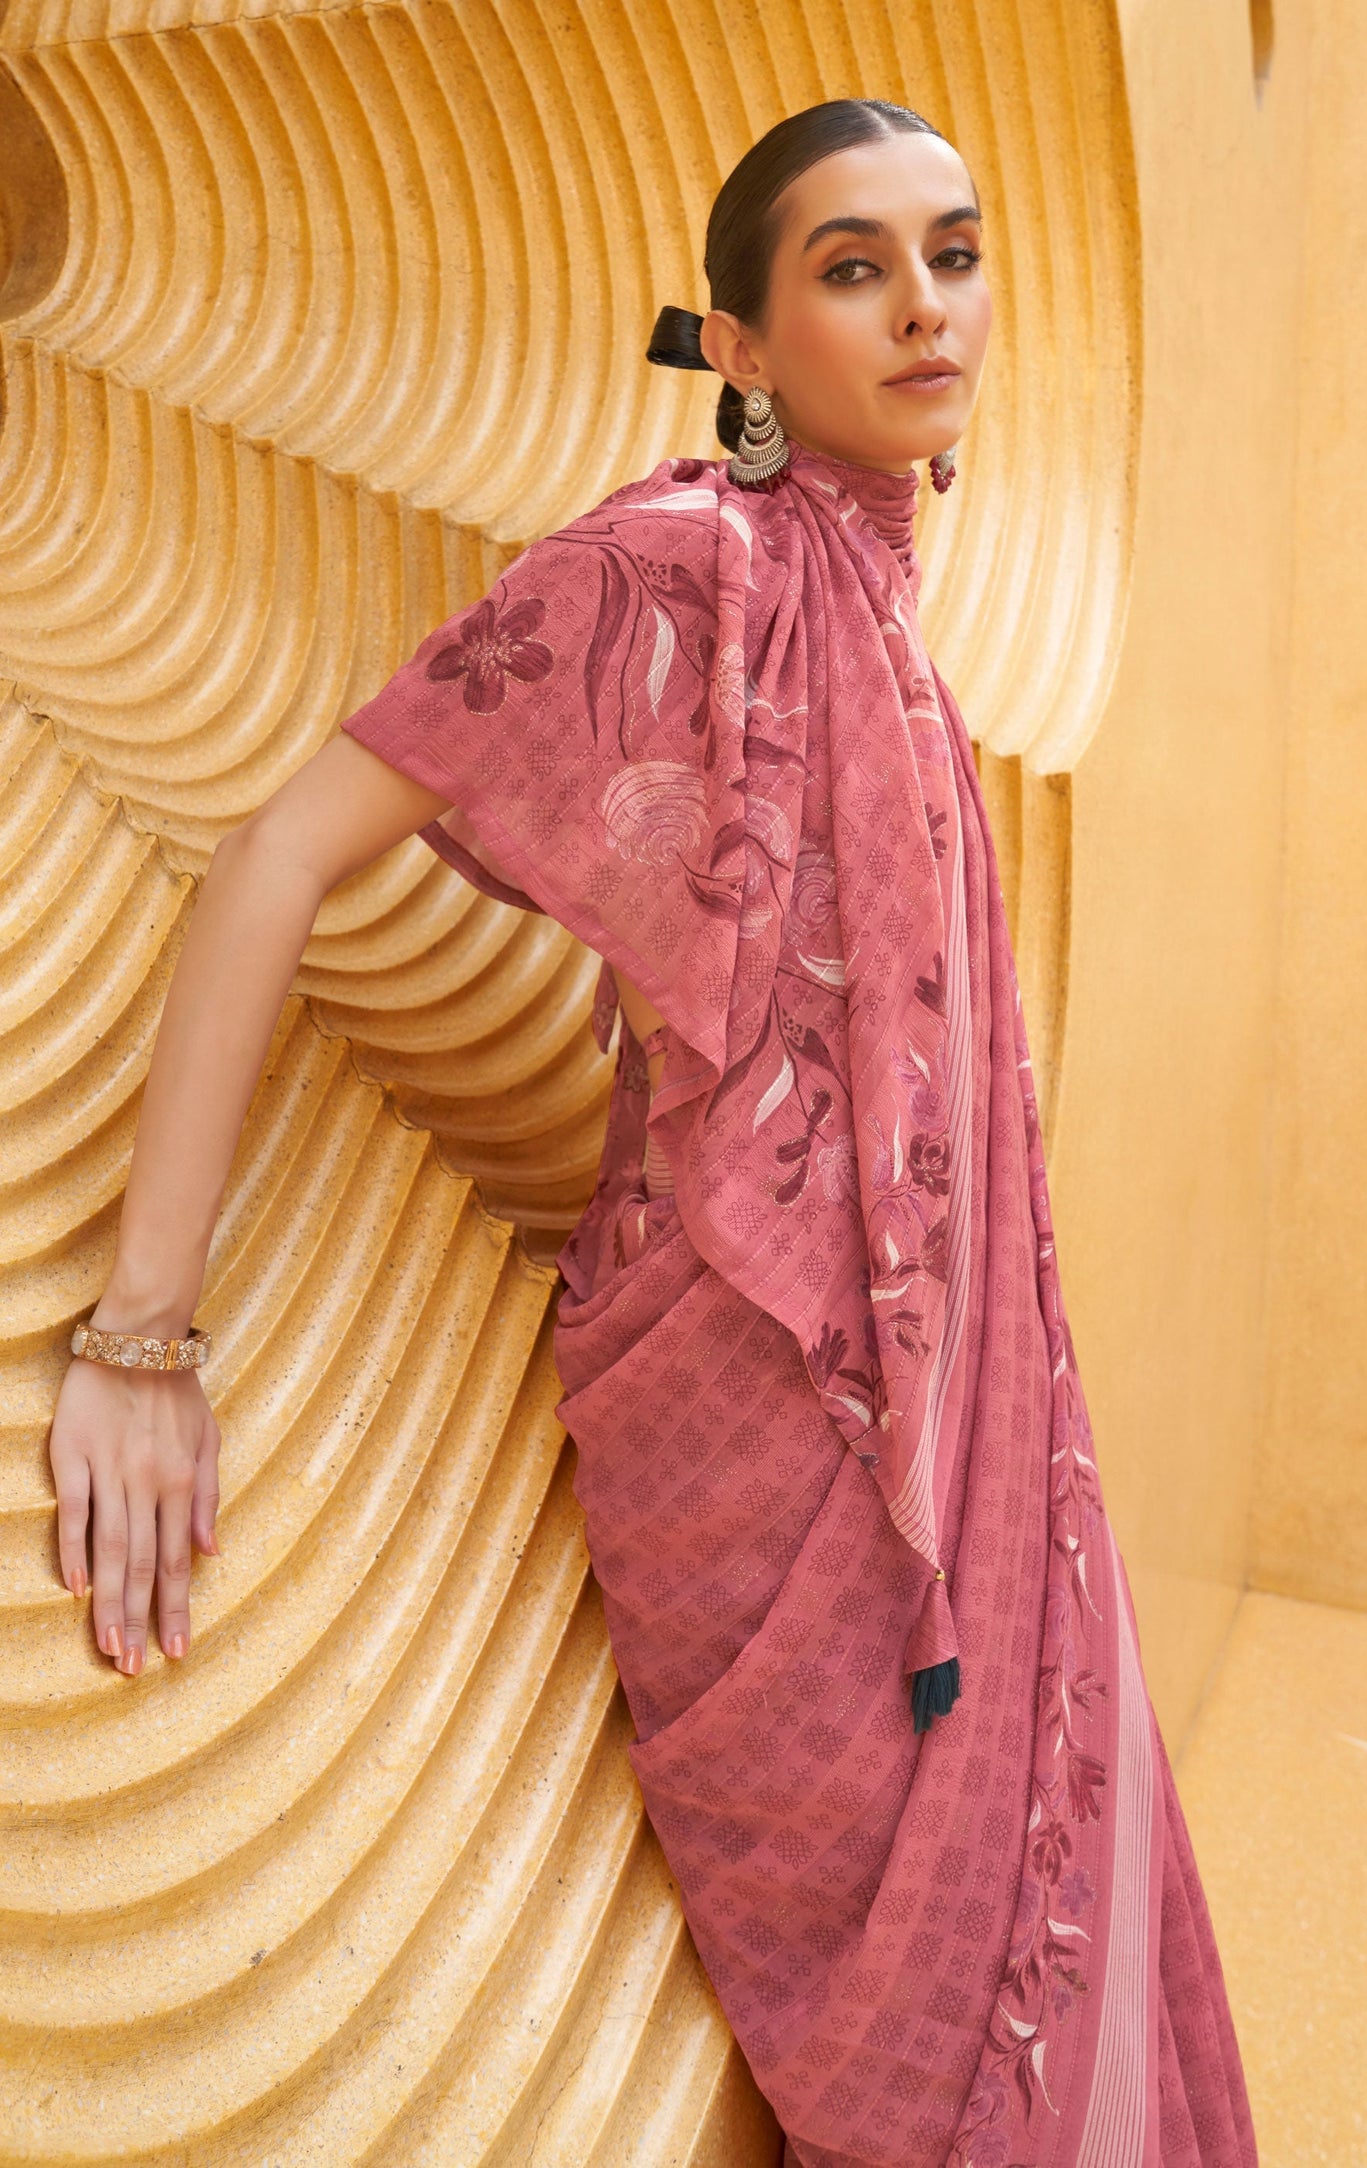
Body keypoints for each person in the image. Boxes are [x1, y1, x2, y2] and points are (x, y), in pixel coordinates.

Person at [45, 97, 1257, 2168]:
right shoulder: (678, 565)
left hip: (958, 1428)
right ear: (747, 345)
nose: (927, 305)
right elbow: (273, 858)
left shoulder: (876, 593)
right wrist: (140, 1339)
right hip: (752, 1423)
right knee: (907, 2046)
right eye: (855, 269)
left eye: (954, 252)